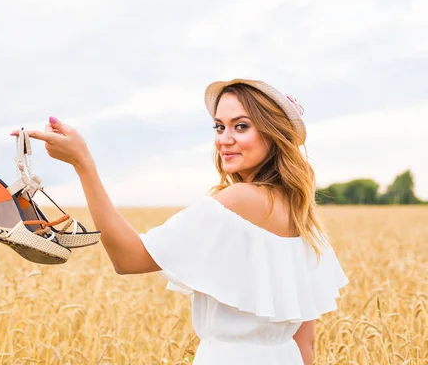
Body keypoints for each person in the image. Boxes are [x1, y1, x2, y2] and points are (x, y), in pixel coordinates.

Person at [18, 78, 349, 365]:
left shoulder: (238, 201)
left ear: (274, 134)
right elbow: (305, 342)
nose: (224, 139)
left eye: (241, 126)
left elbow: (128, 258)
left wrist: (83, 163)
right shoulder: (303, 216)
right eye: (219, 126)